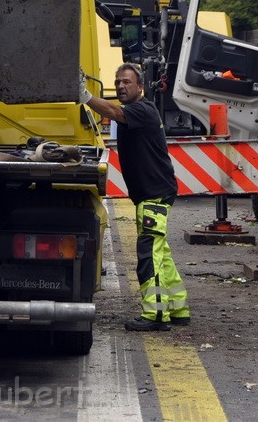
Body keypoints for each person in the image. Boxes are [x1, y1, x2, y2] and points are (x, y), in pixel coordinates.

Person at [80, 63, 190, 331]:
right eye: (117, 82)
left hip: (154, 195)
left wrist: (83, 95)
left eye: (127, 82)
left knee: (148, 256)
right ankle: (178, 308)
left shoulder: (141, 110)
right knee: (160, 253)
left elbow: (113, 111)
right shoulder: (137, 111)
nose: (120, 86)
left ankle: (155, 316)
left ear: (140, 87)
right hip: (152, 195)